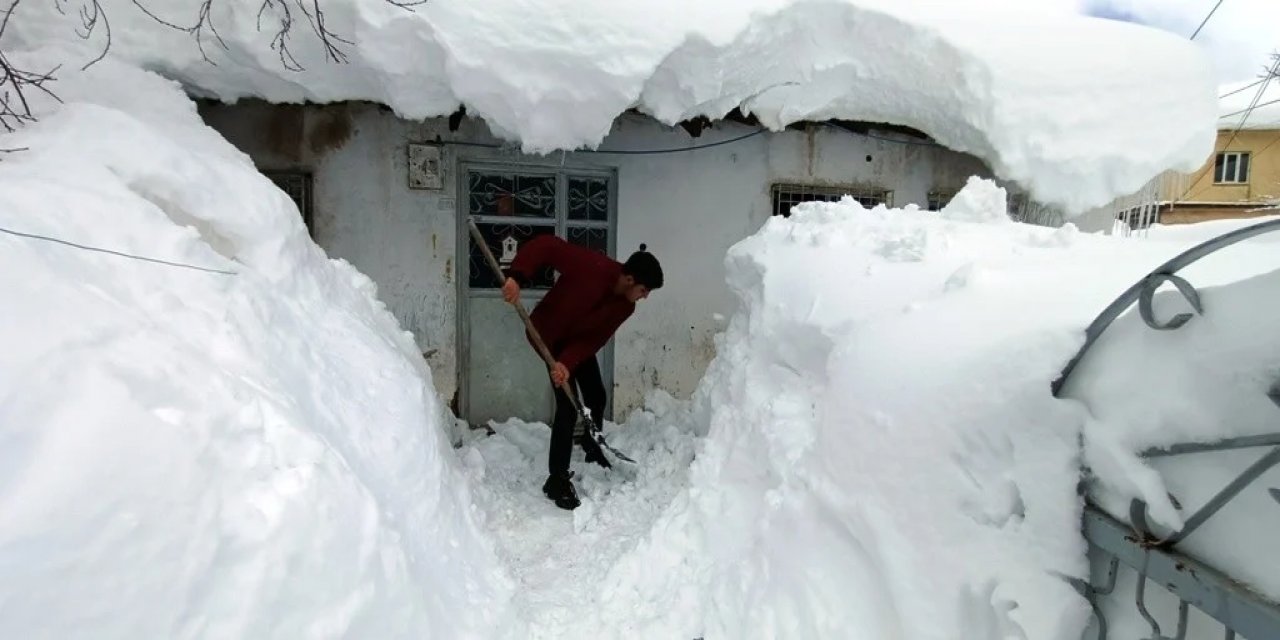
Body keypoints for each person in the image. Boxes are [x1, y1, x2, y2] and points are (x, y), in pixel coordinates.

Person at [501, 234, 663, 510]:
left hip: (575, 343)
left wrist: (568, 362)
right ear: (629, 279)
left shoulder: (626, 306)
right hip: (548, 337)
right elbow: (547, 245)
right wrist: (517, 277)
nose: (645, 297)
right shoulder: (591, 266)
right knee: (568, 406)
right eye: (644, 290)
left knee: (596, 396)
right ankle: (556, 480)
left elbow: (594, 339)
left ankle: (591, 447)